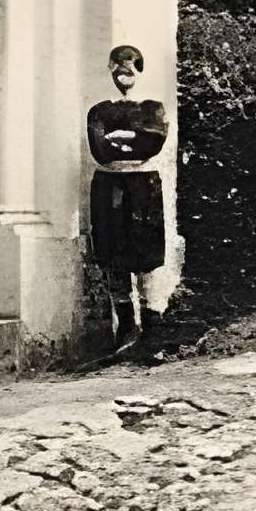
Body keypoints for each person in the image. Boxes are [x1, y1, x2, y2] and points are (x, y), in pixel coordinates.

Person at [85, 44, 170, 340]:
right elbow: (100, 150)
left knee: (146, 254)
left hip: (143, 187)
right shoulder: (98, 111)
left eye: (132, 67)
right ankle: (124, 327)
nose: (126, 73)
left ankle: (152, 326)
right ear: (110, 69)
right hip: (109, 188)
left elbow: (152, 144)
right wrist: (132, 139)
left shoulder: (152, 109)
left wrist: (121, 137)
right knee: (113, 253)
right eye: (119, 67)